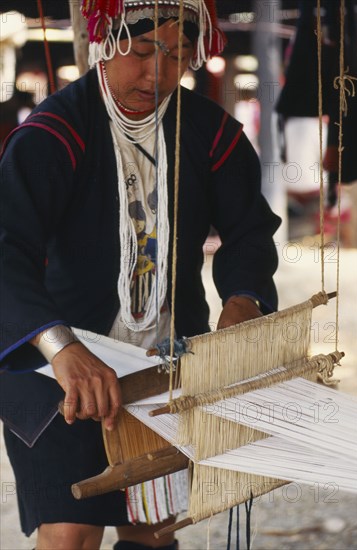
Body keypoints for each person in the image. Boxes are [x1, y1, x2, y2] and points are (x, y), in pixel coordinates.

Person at [0, 1, 281, 549]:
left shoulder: (208, 133)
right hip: (57, 366)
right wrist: (61, 347)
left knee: (152, 529)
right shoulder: (55, 133)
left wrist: (244, 301)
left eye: (177, 55)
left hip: (164, 360)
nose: (160, 72)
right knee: (71, 532)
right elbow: (6, 251)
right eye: (145, 51)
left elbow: (249, 231)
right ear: (106, 45)